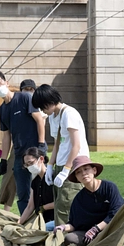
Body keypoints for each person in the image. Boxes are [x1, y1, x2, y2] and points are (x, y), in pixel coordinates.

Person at [0, 70, 46, 217]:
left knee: (44, 187)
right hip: (19, 155)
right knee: (22, 193)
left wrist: (41, 145)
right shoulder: (2, 110)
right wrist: (4, 160)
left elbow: (39, 120)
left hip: (35, 150)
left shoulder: (24, 98)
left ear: (6, 82)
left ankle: (46, 220)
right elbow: (6, 136)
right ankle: (26, 221)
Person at [32, 84, 89, 226]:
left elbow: (76, 145)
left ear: (49, 101)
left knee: (69, 206)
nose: (42, 110)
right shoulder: (53, 116)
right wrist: (50, 166)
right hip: (61, 165)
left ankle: (69, 238)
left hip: (74, 166)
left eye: (43, 106)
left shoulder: (69, 114)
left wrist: (66, 170)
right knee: (60, 205)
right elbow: (58, 143)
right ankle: (60, 237)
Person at [55, 155, 124, 246]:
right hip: (89, 236)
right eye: (79, 172)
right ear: (76, 177)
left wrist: (96, 229)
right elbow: (74, 224)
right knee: (70, 238)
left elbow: (117, 212)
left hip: (111, 230)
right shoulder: (79, 198)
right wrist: (62, 227)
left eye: (86, 169)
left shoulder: (109, 187)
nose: (83, 173)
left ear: (94, 170)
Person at [18, 146, 56, 229]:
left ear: (41, 159)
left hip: (56, 219)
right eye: (26, 165)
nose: (29, 166)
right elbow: (30, 206)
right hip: (41, 219)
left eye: (31, 163)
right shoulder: (35, 181)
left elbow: (61, 203)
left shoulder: (53, 177)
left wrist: (44, 207)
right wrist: (19, 223)